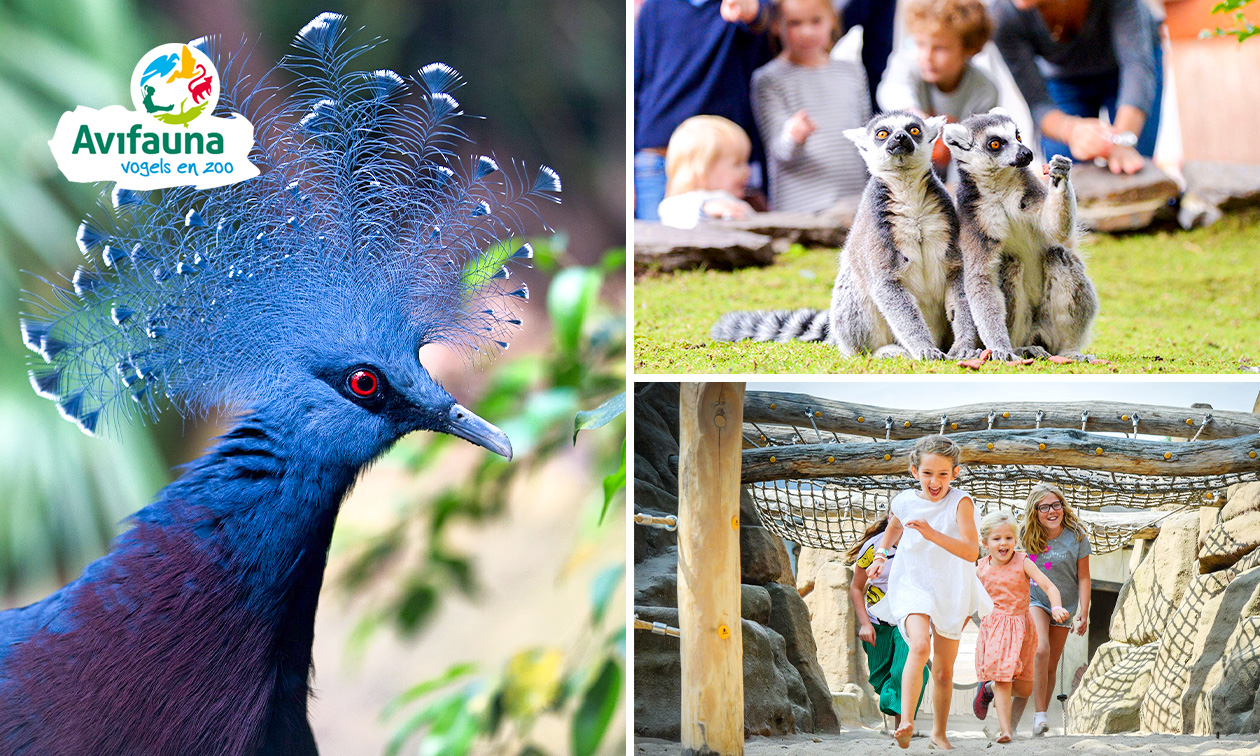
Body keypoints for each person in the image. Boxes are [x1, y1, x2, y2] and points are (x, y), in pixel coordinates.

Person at [866, 435, 991, 750]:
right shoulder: (906, 500)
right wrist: (881, 554)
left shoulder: (960, 502)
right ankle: (906, 721)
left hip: (951, 587)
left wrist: (931, 532)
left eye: (943, 474)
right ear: (913, 471)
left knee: (945, 672)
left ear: (956, 473)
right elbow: (894, 528)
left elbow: (971, 551)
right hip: (914, 583)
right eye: (927, 473)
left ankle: (938, 733)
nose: (935, 481)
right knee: (919, 645)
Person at [634, 0, 773, 220]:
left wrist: (751, 10)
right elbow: (637, 80)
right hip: (656, 152)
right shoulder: (655, 7)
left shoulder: (734, 8)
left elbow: (763, 18)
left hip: (721, 157)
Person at [990, 0, 1162, 175]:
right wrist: (1070, 130)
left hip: (1127, 70)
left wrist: (1122, 141)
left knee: (1133, 164)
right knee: (1063, 168)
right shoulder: (1003, 16)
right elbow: (1038, 103)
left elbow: (1137, 67)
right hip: (1065, 79)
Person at [750, 0, 870, 212]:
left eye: (816, 21)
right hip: (801, 211)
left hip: (854, 205)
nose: (806, 31)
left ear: (832, 21)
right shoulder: (769, 80)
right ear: (777, 25)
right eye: (795, 23)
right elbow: (779, 151)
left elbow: (867, 137)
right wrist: (793, 135)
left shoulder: (852, 73)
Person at [972, 511, 1069, 743]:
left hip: (1023, 628)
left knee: (1025, 689)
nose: (1003, 543)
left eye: (1008, 538)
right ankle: (1006, 729)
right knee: (1004, 679)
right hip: (996, 627)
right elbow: (967, 600)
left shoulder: (1022, 561)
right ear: (985, 543)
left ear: (1015, 540)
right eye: (996, 539)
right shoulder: (979, 568)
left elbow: (1049, 586)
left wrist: (1055, 607)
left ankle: (988, 688)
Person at [876, 0, 998, 176]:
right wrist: (915, 119)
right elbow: (891, 90)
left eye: (939, 48)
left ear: (968, 48)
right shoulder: (906, 63)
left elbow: (973, 158)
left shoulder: (984, 91)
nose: (926, 56)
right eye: (920, 44)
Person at [1009, 483, 1092, 735]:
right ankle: (1039, 717)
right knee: (1040, 651)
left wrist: (1084, 612)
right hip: (1035, 600)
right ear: (1035, 512)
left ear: (1063, 507)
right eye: (1044, 507)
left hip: (1065, 607)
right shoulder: (1024, 534)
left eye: (1056, 505)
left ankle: (1022, 724)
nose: (1051, 511)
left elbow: (1085, 577)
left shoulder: (1076, 536)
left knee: (1050, 665)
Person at [848, 516, 929, 731]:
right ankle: (898, 719)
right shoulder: (873, 547)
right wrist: (865, 624)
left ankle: (903, 726)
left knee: (908, 669)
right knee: (881, 679)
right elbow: (856, 587)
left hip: (908, 620)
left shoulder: (923, 544)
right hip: (878, 622)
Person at [657, 116, 756, 228]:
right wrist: (705, 208)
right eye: (737, 164)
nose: (747, 171)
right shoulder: (682, 203)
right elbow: (671, 210)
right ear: (702, 169)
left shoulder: (737, 202)